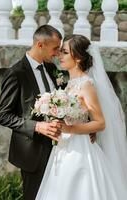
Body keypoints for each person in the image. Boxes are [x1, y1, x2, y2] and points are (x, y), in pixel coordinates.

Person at [35, 34, 127, 200]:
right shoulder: (70, 84)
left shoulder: (86, 84)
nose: (59, 56)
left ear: (77, 58)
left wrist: (69, 128)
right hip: (64, 147)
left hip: (80, 151)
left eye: (64, 52)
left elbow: (100, 123)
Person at [0, 25, 64, 200]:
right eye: (55, 48)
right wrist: (37, 126)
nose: (57, 53)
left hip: (61, 149)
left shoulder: (51, 69)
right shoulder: (16, 73)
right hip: (33, 151)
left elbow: (64, 100)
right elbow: (2, 115)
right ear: (40, 44)